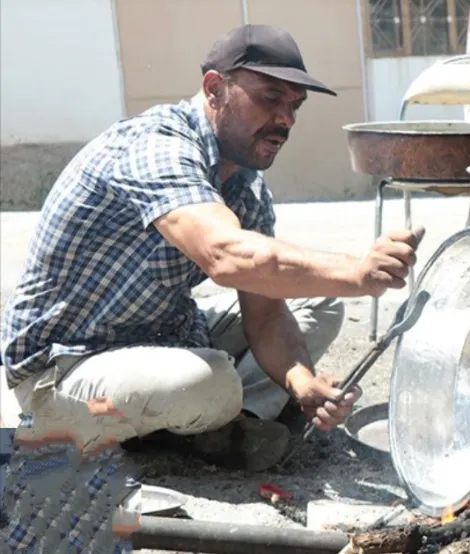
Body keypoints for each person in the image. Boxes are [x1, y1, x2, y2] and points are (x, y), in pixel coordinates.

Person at [0, 24, 423, 472]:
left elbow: (266, 312)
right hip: (63, 372)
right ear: (215, 88)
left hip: (156, 337)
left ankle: (222, 423)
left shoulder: (246, 185)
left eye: (294, 105)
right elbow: (226, 256)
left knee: (320, 301)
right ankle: (186, 421)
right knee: (209, 382)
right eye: (270, 98)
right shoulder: (156, 146)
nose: (286, 120)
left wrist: (302, 382)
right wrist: (357, 272)